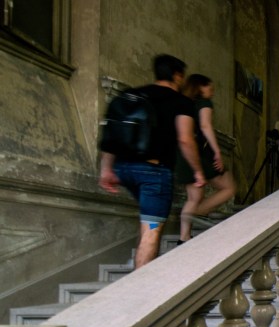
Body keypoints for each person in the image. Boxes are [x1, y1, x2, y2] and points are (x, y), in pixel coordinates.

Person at [99, 54, 205, 269]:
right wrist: (198, 171)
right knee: (151, 231)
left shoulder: (130, 95)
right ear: (177, 75)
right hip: (153, 172)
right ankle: (140, 292)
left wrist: (107, 169)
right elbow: (185, 139)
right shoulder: (181, 102)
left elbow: (114, 133)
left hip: (124, 168)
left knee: (147, 223)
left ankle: (140, 262)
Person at [176, 74, 237, 242]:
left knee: (194, 197)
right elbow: (205, 125)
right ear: (200, 87)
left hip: (184, 153)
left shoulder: (185, 103)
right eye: (210, 88)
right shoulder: (204, 103)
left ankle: (184, 237)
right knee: (229, 187)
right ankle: (198, 212)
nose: (212, 92)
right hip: (199, 154)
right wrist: (217, 151)